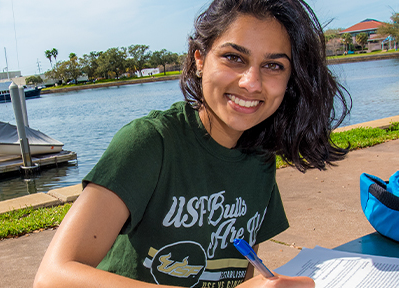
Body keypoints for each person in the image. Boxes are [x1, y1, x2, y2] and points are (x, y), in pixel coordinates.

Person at [34, 0, 350, 287]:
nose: (251, 82)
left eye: (273, 66)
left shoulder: (260, 160)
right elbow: (52, 277)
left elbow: (240, 271)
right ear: (199, 59)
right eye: (233, 57)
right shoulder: (150, 142)